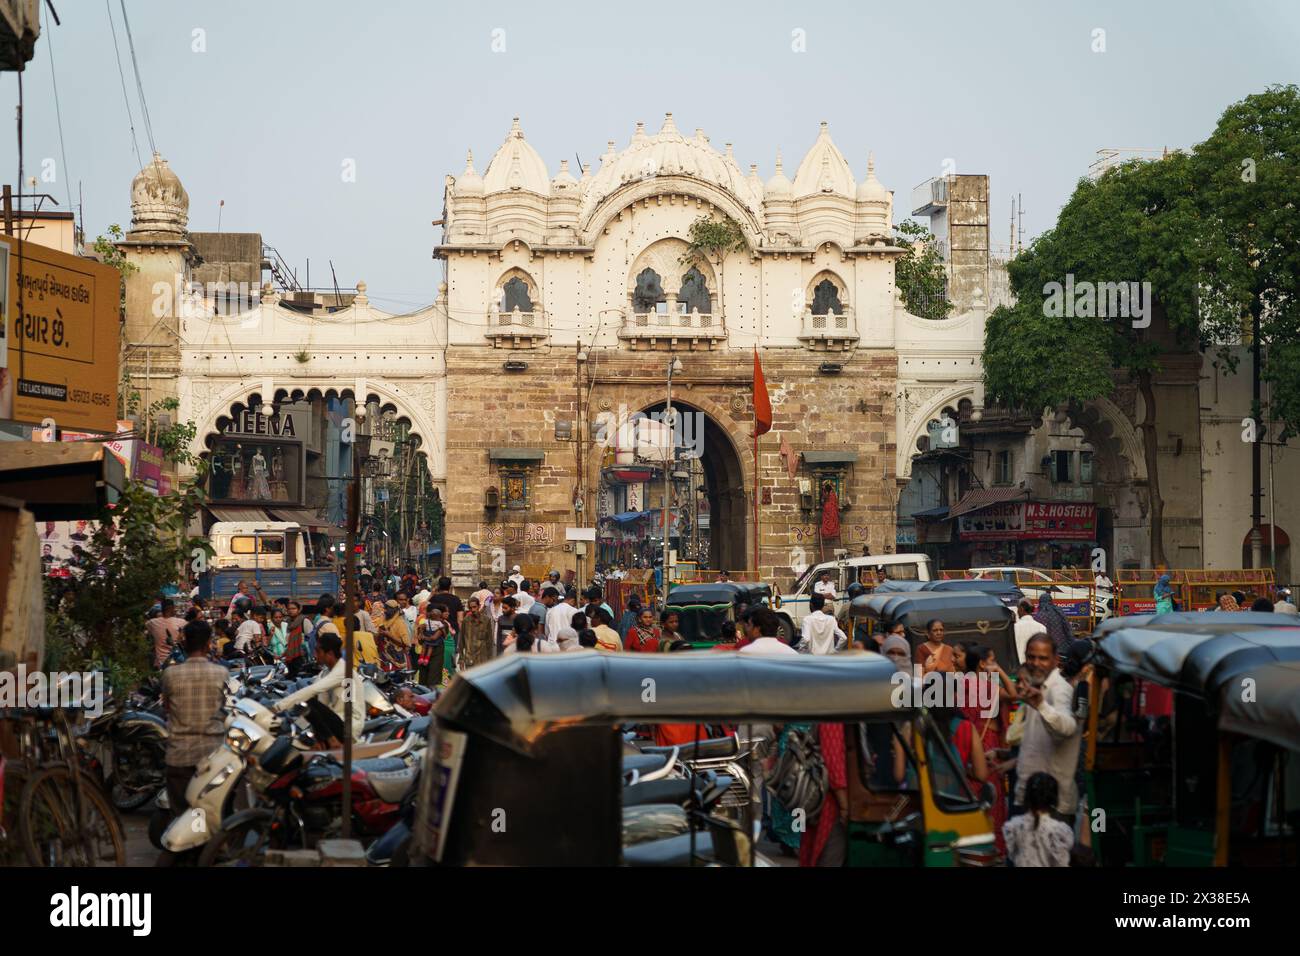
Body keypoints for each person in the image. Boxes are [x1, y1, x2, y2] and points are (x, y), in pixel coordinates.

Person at [1012, 634, 1081, 824]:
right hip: (1031, 796)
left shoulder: (1059, 689)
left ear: (1055, 660)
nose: (1036, 663)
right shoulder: (1037, 687)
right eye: (1031, 657)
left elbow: (1067, 727)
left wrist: (1042, 705)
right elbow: (1038, 741)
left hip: (1051, 804)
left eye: (1043, 658)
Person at [272, 632, 365, 745]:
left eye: (318, 651)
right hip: (335, 721)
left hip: (348, 725)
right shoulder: (325, 672)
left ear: (330, 653)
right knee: (305, 709)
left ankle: (333, 742)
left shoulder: (343, 670)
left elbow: (312, 691)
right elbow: (319, 698)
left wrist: (278, 707)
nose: (315, 655)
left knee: (309, 702)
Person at [798, 721, 848, 867]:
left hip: (821, 798)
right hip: (830, 803)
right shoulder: (833, 718)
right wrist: (844, 806)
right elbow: (833, 763)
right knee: (829, 855)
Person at [1003, 772, 1073, 867]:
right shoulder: (1060, 831)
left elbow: (1013, 856)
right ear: (1054, 800)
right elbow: (1061, 863)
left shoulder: (1013, 826)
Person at [458, 595, 495, 669]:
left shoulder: (486, 620)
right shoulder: (466, 621)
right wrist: (461, 660)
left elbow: (489, 641)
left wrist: (490, 660)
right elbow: (461, 642)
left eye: (474, 607)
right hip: (470, 658)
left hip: (483, 659)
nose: (473, 610)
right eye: (470, 608)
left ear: (479, 606)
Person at [148, 599, 188, 669]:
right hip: (178, 660)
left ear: (162, 609)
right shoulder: (182, 622)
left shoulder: (152, 623)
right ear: (172, 608)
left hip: (160, 662)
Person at [1014, 599, 1048, 665]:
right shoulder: (1042, 628)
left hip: (1019, 665)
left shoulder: (1014, 627)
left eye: (1018, 609)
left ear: (1021, 609)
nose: (1017, 612)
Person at [283, 601, 311, 674]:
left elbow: (310, 639)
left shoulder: (304, 621)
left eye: (293, 608)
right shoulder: (288, 622)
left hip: (302, 656)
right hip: (291, 656)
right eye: (289, 609)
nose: (291, 611)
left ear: (299, 610)